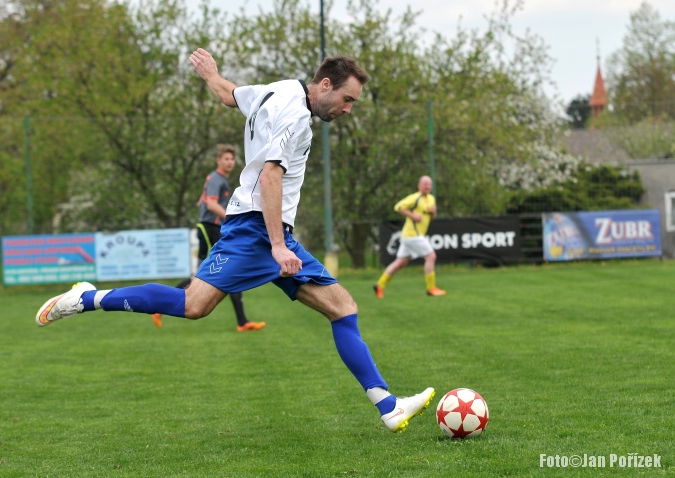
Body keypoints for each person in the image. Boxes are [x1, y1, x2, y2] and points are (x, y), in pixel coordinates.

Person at [36, 48, 435, 433]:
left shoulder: (278, 89)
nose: (348, 109)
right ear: (326, 84)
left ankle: (388, 406)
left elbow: (230, 95)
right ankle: (87, 298)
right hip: (257, 230)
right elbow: (271, 176)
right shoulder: (296, 115)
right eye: (347, 99)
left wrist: (211, 75)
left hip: (268, 229)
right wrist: (277, 246)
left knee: (343, 308)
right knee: (193, 305)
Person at [151, 145, 266, 332]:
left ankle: (243, 321)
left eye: (232, 159)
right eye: (226, 159)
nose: (229, 162)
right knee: (212, 271)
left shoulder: (218, 179)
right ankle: (159, 306)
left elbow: (202, 201)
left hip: (213, 227)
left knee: (228, 267)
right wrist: (231, 218)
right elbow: (211, 204)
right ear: (218, 160)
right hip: (209, 228)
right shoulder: (216, 178)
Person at [374, 176, 446, 298]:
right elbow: (398, 207)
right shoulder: (415, 198)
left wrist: (433, 212)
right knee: (431, 256)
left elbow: (431, 217)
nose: (427, 186)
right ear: (419, 185)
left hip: (410, 236)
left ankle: (380, 285)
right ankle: (431, 288)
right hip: (413, 235)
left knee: (400, 263)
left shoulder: (431, 199)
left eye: (429, 184)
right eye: (425, 184)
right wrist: (413, 216)